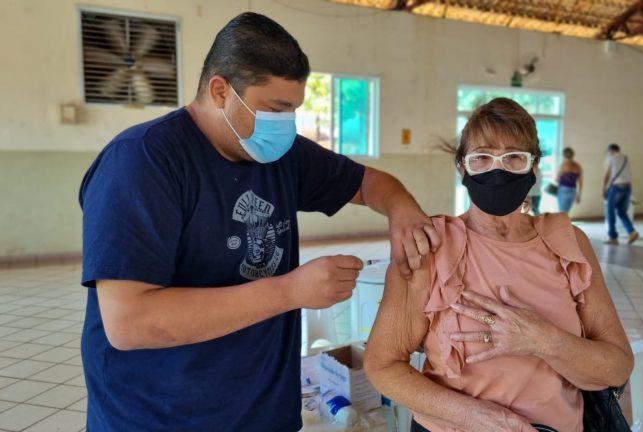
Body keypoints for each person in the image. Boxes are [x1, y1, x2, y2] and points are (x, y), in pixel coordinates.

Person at [78, 13, 440, 431]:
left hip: (263, 412)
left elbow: (369, 183)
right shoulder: (142, 163)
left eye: (294, 110)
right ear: (220, 91)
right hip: (161, 415)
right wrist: (290, 290)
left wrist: (403, 211)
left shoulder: (281, 156)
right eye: (275, 109)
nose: (286, 124)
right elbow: (129, 322)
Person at [364, 99, 633, 432]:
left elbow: (618, 367)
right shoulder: (431, 247)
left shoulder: (568, 242)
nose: (497, 170)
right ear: (462, 168)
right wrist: (474, 416)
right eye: (481, 158)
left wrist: (542, 339)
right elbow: (382, 365)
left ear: (534, 169)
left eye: (514, 158)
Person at [603, 143, 639, 245]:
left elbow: (606, 174)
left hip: (616, 187)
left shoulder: (610, 158)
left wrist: (604, 188)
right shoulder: (626, 158)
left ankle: (613, 237)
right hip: (627, 188)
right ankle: (632, 232)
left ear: (611, 150)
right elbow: (628, 174)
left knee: (610, 211)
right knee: (621, 212)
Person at [555, 147, 582, 214]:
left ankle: (563, 224)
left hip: (563, 190)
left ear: (564, 155)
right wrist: (579, 195)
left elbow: (557, 179)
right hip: (573, 191)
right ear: (573, 155)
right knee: (566, 213)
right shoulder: (578, 166)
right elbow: (581, 183)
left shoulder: (563, 165)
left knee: (562, 214)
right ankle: (565, 224)